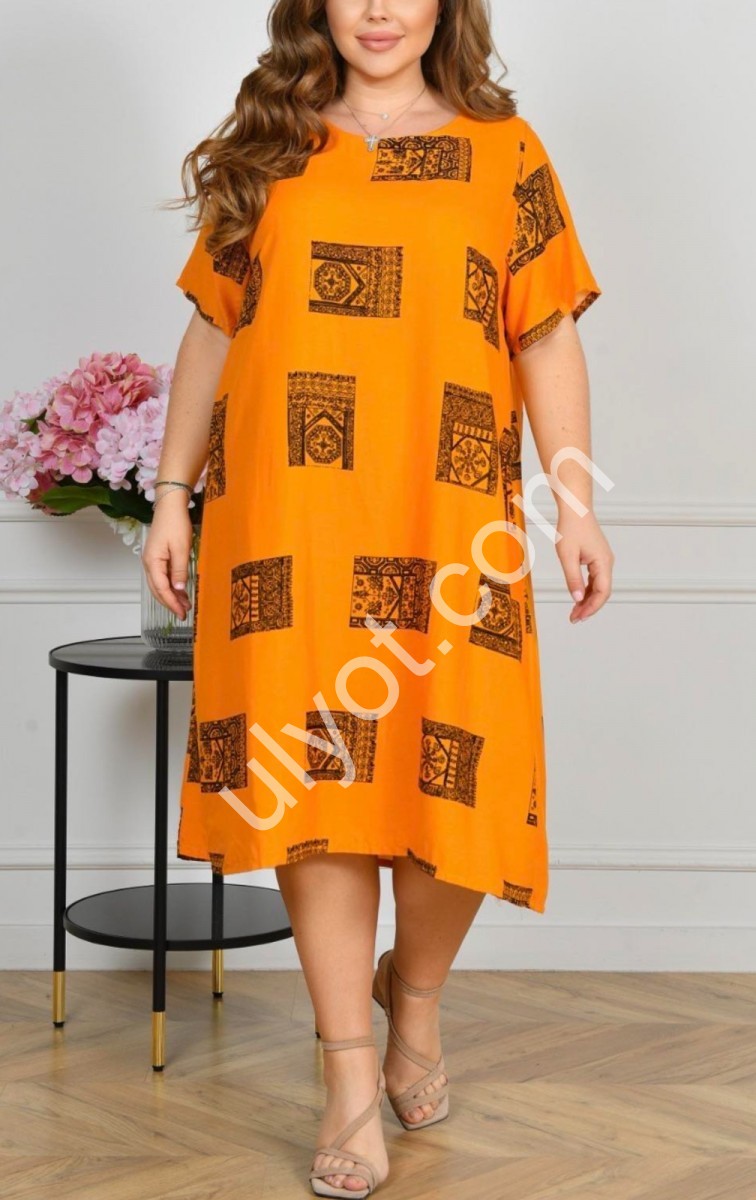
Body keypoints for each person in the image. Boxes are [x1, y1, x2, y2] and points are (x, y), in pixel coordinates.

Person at [143, 1, 614, 1194]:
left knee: (461, 764)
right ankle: (349, 1071)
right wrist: (170, 495)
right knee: (318, 786)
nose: (379, 8)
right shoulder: (271, 144)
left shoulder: (504, 150)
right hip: (288, 522)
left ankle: (417, 998)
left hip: (445, 512)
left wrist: (576, 503)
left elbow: (546, 335)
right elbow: (212, 330)